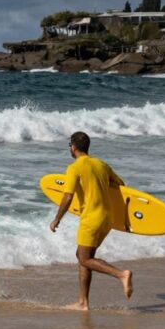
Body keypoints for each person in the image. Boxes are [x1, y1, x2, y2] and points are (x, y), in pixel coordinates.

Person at [49, 131, 132, 310]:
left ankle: (121, 274)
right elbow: (120, 185)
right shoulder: (101, 164)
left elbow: (68, 196)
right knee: (83, 256)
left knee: (85, 259)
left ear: (73, 147)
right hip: (107, 218)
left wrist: (57, 219)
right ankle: (83, 302)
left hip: (91, 218)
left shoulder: (74, 168)